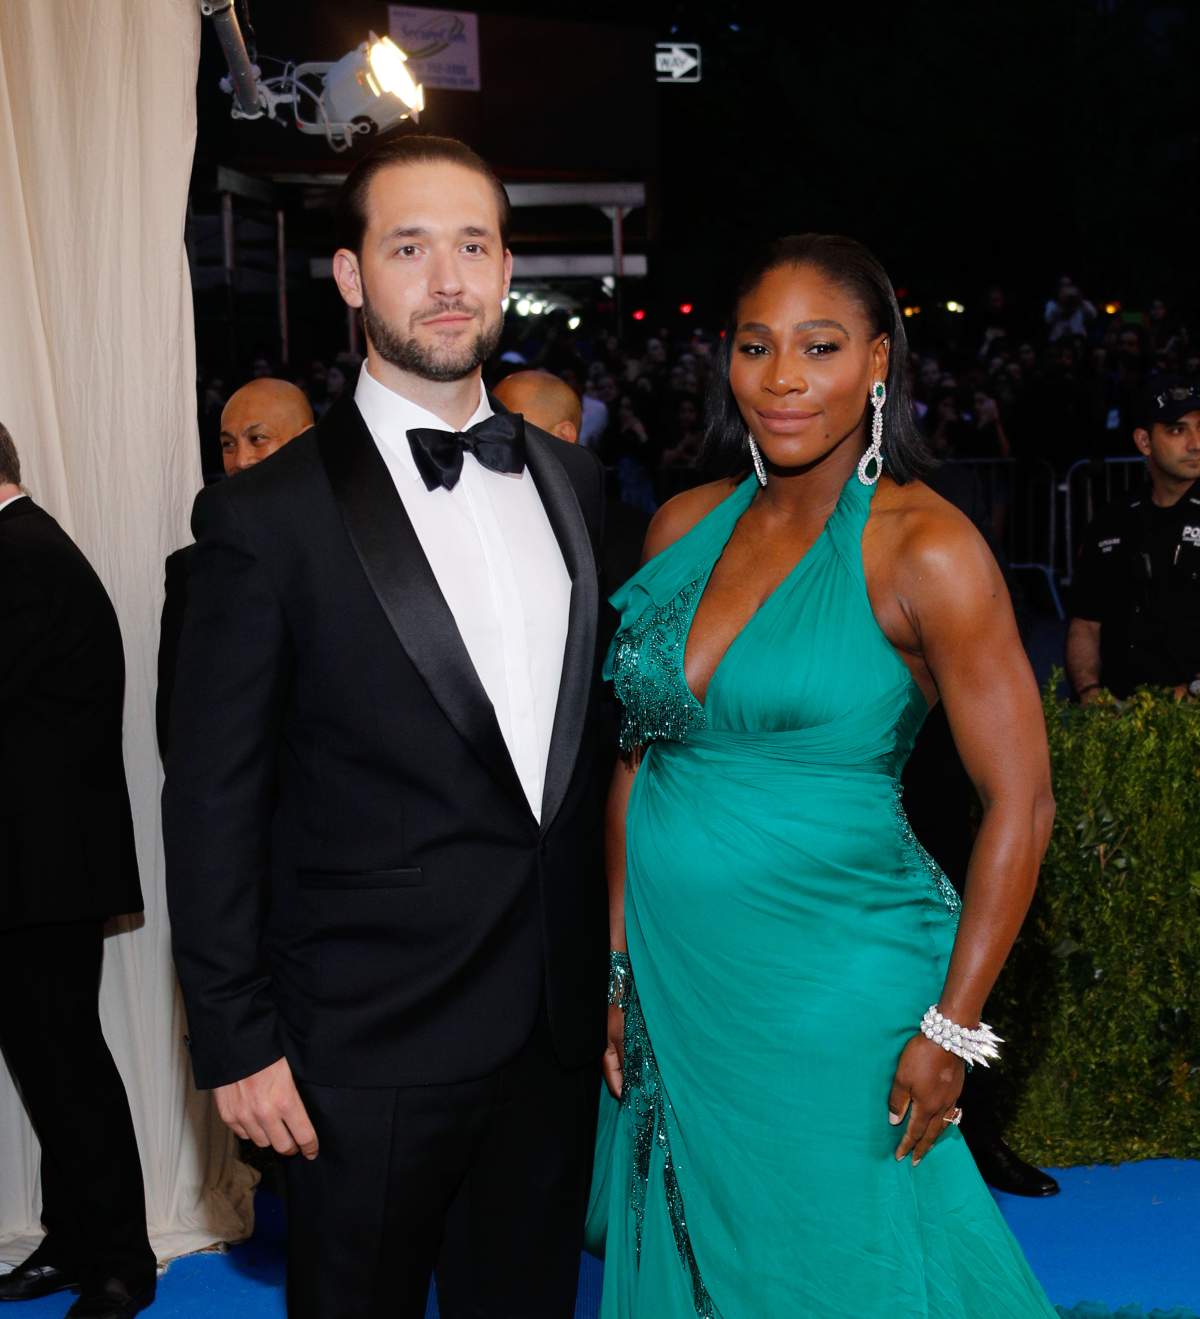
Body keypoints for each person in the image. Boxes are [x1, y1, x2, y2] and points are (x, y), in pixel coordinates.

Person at [163, 133, 607, 1319]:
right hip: (362, 1041)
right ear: (353, 276)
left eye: (472, 246)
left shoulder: (573, 486)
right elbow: (210, 798)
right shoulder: (262, 519)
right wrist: (234, 1038)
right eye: (410, 248)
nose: (447, 279)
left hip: (552, 1034)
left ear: (506, 266)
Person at [589, 235, 1058, 1316]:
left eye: (821, 346)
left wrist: (951, 1026)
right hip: (681, 980)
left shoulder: (925, 548)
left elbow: (1022, 802)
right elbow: (636, 767)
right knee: (703, 1252)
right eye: (757, 346)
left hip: (840, 987)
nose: (783, 378)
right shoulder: (681, 525)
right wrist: (618, 966)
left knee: (847, 1263)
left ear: (879, 361)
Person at [0, 425, 156, 1318]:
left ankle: (123, 1264)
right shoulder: (28, 547)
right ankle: (74, 1241)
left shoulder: (20, 554)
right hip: (37, 866)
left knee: (66, 1067)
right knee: (50, 1064)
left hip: (45, 869)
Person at [155, 378, 314, 757]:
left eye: (258, 439)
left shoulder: (346, 550)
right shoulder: (191, 569)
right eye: (228, 444)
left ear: (306, 442)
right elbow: (179, 717)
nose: (240, 460)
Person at [1067, 377, 1200, 701]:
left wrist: (1192, 694)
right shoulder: (1112, 522)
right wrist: (1089, 692)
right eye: (1177, 430)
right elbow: (1085, 624)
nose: (1196, 443)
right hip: (1120, 716)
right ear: (1144, 442)